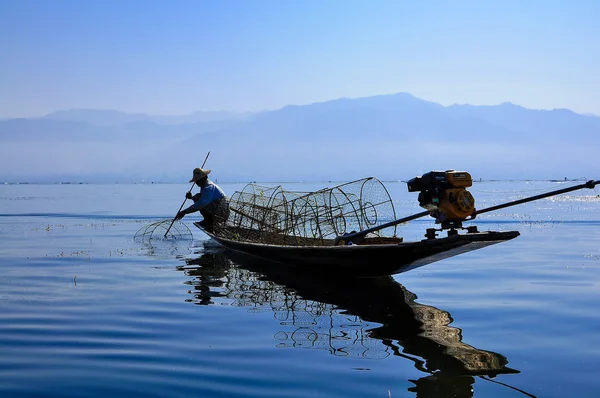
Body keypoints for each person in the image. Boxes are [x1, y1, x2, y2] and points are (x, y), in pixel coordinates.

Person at [176, 167, 229, 233]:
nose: (196, 182)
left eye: (198, 180)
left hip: (221, 212)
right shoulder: (204, 187)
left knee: (199, 199)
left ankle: (209, 221)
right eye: (196, 181)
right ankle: (209, 221)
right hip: (216, 208)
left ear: (205, 178)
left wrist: (184, 212)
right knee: (198, 196)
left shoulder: (209, 187)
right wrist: (191, 197)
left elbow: (202, 203)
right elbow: (203, 199)